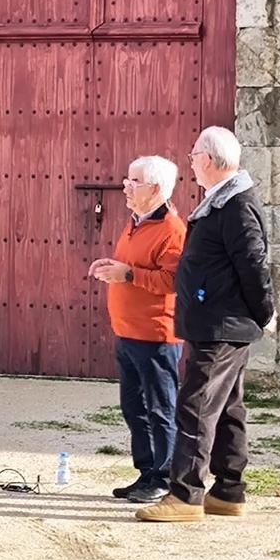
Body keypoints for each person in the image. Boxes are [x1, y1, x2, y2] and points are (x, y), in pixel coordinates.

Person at [137, 127, 274, 523]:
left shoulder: (236, 204)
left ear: (209, 161)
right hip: (215, 321)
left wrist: (264, 312)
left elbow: (253, 264)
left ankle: (185, 495)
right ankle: (229, 491)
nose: (190, 161)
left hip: (222, 324)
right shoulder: (222, 200)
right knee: (228, 407)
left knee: (196, 406)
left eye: (194, 154)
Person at [89, 156, 186, 504]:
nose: (125, 186)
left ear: (156, 189)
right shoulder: (135, 222)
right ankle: (147, 472)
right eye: (127, 179)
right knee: (134, 408)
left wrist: (128, 275)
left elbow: (173, 281)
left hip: (156, 336)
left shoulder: (172, 230)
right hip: (128, 333)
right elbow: (133, 267)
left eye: (134, 181)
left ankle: (165, 477)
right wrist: (112, 267)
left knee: (161, 408)